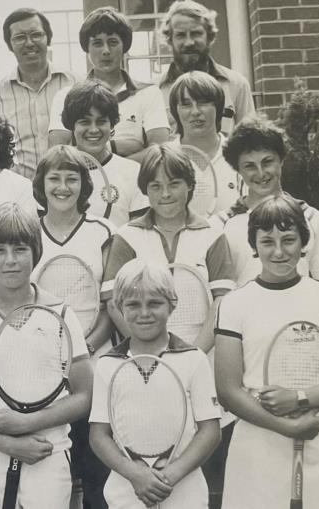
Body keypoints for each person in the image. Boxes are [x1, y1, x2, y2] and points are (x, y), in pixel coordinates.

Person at [214, 195, 319, 509]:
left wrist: (301, 398)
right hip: (258, 447)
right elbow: (229, 391)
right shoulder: (234, 304)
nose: (278, 251)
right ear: (254, 245)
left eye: (288, 239)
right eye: (267, 240)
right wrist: (287, 426)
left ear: (303, 241)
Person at [0, 203, 92, 509]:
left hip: (48, 451)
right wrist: (8, 443)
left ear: (35, 252)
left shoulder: (62, 314)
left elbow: (84, 395)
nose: (10, 261)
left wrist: (27, 423)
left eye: (20, 249)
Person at [90, 259, 221, 508]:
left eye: (155, 303)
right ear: (119, 308)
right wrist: (135, 474)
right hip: (126, 491)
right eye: (133, 305)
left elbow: (210, 431)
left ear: (172, 305)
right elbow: (99, 435)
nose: (144, 313)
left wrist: (171, 475)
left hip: (185, 491)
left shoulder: (194, 359)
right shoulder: (107, 365)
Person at [32, 144, 116, 509]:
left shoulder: (104, 231)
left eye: (72, 178)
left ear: (85, 185)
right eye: (54, 178)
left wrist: (85, 350)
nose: (63, 187)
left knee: (96, 470)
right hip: (40, 364)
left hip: (94, 357)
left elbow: (112, 305)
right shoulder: (26, 230)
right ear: (41, 184)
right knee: (52, 471)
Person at [101, 143, 235, 347]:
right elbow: (113, 303)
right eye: (156, 186)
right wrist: (148, 349)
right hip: (146, 358)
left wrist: (193, 354)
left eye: (174, 184)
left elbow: (222, 301)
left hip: (202, 355)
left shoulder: (213, 235)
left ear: (189, 184)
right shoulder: (126, 236)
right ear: (145, 190)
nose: (165, 194)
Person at [212, 116, 319, 288]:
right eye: (249, 166)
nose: (261, 173)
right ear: (238, 170)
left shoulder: (313, 219)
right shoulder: (219, 225)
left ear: (281, 160)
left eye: (267, 162)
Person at [49, 6, 169, 157]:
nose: (106, 50)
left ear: (124, 46)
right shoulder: (66, 95)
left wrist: (108, 160)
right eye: (97, 43)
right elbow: (58, 154)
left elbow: (160, 153)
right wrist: (116, 147)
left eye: (113, 42)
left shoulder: (149, 93)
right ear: (87, 48)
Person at [0, 8, 76, 179]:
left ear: (47, 38)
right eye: (20, 38)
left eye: (36, 34)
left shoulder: (75, 84)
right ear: (10, 45)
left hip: (68, 186)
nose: (29, 43)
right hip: (19, 191)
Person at [158, 0, 255, 136]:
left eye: (196, 33)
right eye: (180, 35)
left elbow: (251, 140)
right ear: (170, 40)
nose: (189, 42)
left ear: (210, 36)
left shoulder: (236, 84)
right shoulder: (154, 91)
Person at [61, 80, 149, 227]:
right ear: (71, 125)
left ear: (112, 124)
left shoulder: (134, 172)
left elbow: (140, 235)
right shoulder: (55, 172)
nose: (94, 129)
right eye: (85, 122)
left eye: (101, 121)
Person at [168, 71, 244, 214]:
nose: (195, 111)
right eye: (186, 104)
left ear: (218, 107)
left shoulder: (241, 156)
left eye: (203, 103)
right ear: (175, 111)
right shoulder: (163, 158)